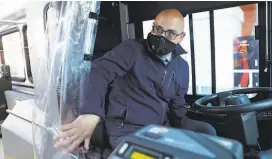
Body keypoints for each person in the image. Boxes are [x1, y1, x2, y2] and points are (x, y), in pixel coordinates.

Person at [53, 9, 216, 155]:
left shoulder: (182, 66)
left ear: (181, 37)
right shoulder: (132, 50)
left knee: (207, 134)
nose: (161, 37)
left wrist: (186, 123)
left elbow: (177, 102)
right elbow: (99, 71)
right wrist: (90, 113)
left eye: (170, 33)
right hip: (126, 132)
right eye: (158, 29)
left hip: (161, 130)